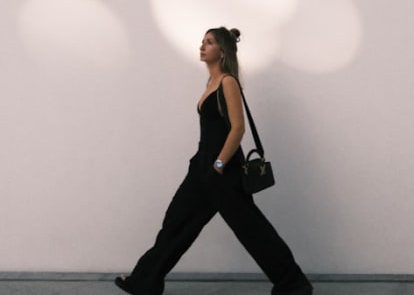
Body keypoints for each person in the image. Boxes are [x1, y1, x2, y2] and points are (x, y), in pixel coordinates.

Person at [115, 27, 312, 295]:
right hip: (202, 166)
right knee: (176, 222)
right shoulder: (211, 83)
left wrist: (219, 164)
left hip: (223, 169)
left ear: (222, 51)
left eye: (209, 43)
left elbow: (238, 128)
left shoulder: (228, 82)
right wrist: (206, 165)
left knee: (251, 229)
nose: (202, 46)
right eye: (202, 42)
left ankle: (294, 284)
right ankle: (144, 281)